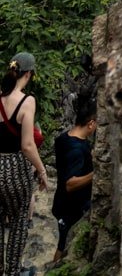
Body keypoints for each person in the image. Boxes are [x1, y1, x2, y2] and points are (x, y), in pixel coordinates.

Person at [0, 51, 48, 276]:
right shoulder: (27, 101)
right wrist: (41, 170)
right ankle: (13, 271)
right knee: (19, 219)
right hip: (16, 168)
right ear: (28, 74)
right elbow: (28, 145)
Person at [52, 94, 97, 263]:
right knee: (63, 246)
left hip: (63, 203)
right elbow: (70, 184)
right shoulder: (76, 149)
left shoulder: (64, 138)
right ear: (91, 123)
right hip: (70, 208)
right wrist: (95, 173)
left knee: (64, 243)